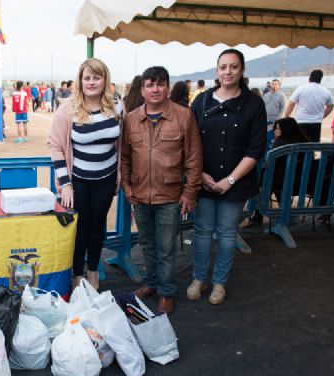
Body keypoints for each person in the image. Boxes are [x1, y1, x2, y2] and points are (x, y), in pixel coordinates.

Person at [121, 66, 203, 314]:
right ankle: (152, 283)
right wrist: (126, 186)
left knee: (166, 247)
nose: (155, 89)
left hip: (170, 196)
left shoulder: (184, 116)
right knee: (146, 244)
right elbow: (124, 158)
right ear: (143, 89)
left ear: (167, 87)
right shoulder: (131, 118)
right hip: (139, 193)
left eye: (160, 83)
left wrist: (190, 192)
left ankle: (166, 293)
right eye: (150, 84)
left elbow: (194, 158)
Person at [188, 48, 266, 306]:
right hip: (204, 180)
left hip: (237, 182)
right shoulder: (201, 101)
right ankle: (199, 278)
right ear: (217, 70)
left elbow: (256, 149)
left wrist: (230, 180)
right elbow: (189, 142)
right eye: (223, 67)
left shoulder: (254, 104)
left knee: (226, 233)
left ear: (242, 70)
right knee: (201, 232)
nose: (228, 72)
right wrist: (200, 174)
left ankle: (219, 282)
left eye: (233, 67)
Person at [48, 58, 123, 290]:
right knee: (80, 228)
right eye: (87, 77)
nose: (91, 82)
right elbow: (55, 146)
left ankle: (92, 270)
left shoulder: (117, 106)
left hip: (106, 178)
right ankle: (77, 272)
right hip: (79, 180)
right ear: (80, 81)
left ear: (105, 79)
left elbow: (123, 144)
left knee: (97, 226)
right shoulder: (68, 109)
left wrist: (120, 174)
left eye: (96, 77)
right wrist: (66, 184)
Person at [283, 69, 334, 143]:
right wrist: (322, 116)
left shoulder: (301, 89)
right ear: (320, 79)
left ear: (309, 78)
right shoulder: (326, 91)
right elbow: (331, 105)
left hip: (301, 121)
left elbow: (291, 104)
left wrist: (286, 117)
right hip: (316, 123)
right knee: (312, 146)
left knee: (300, 146)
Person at [263, 79, 285, 147]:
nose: (274, 86)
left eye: (276, 84)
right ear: (270, 85)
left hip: (276, 119)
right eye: (273, 84)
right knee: (266, 137)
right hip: (266, 119)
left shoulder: (281, 96)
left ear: (279, 86)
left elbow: (283, 108)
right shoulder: (266, 95)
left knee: (273, 137)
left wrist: (278, 118)